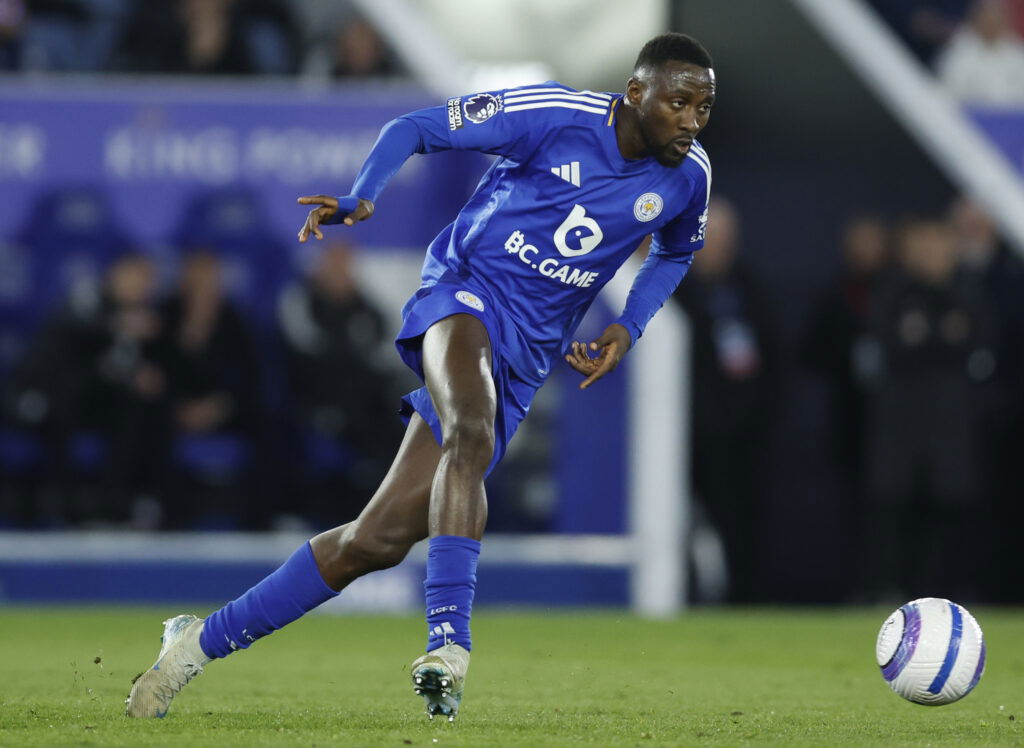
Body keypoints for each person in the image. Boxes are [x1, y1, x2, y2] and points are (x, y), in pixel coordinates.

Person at [126, 32, 716, 721]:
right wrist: (363, 194)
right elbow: (415, 127)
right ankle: (448, 647)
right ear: (637, 93)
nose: (692, 121)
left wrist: (626, 326)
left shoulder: (689, 174)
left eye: (704, 108)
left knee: (372, 541)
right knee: (471, 424)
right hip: (464, 295)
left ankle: (195, 644)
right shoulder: (556, 115)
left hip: (526, 357)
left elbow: (675, 251)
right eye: (680, 102)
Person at [672, 196, 782, 602]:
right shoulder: (670, 285)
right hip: (689, 439)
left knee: (745, 522)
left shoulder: (750, 287)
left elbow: (773, 360)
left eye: (725, 238)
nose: (717, 247)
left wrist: (762, 417)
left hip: (745, 437)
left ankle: (746, 598)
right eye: (710, 237)